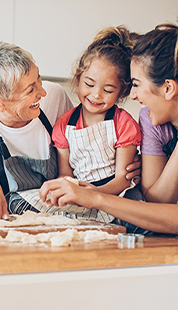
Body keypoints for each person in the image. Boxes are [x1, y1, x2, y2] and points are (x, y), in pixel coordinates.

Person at [40, 5, 178, 237]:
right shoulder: (151, 119)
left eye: (135, 84)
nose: (132, 95)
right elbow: (158, 202)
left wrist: (95, 197)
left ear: (167, 88)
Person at [0, 41, 141, 219]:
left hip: (63, 221)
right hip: (10, 231)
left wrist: (126, 167)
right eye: (30, 90)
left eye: (38, 79)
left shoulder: (54, 96)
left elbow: (85, 151)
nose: (42, 92)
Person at [51, 26, 141, 223]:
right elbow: (65, 175)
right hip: (79, 195)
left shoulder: (124, 124)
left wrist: (95, 194)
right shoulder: (64, 125)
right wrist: (74, 192)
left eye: (108, 90)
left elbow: (123, 179)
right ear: (78, 78)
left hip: (115, 197)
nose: (96, 95)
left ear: (122, 92)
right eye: (89, 84)